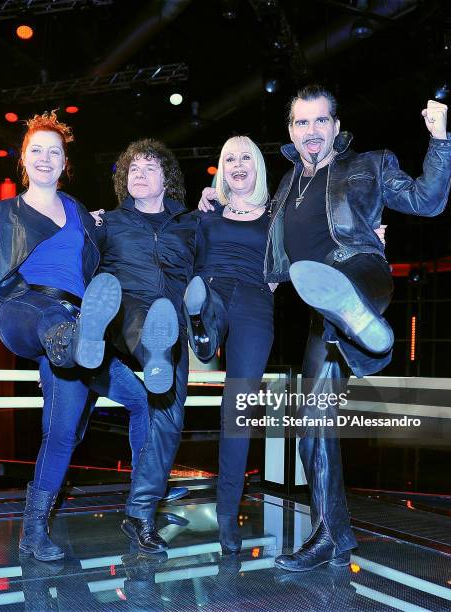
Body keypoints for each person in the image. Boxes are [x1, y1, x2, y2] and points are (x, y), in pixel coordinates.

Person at [201, 84, 451, 571]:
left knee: (352, 287)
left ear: (336, 128)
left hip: (360, 270)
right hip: (320, 311)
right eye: (302, 123)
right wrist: (214, 200)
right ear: (291, 132)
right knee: (312, 423)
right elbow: (257, 234)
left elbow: (427, 202)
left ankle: (367, 333)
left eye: (321, 121)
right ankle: (334, 537)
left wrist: (440, 140)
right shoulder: (284, 187)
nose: (312, 131)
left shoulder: (369, 164)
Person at [0, 111, 130, 562]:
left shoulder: (81, 210)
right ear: (24, 159)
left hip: (76, 320)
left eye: (54, 152)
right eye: (36, 151)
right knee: (53, 323)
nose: (45, 158)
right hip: (24, 308)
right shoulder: (4, 211)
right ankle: (76, 341)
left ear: (65, 163)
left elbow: (116, 240)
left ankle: (36, 532)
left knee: (63, 431)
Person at [95, 139, 198, 553]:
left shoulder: (191, 223)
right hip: (126, 315)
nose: (138, 174)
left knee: (169, 421)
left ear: (166, 178)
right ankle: (154, 351)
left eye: (148, 167)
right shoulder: (108, 223)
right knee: (144, 316)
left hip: (172, 324)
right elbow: (78, 258)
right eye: (131, 168)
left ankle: (139, 515)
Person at [182, 136, 274, 554]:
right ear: (221, 168)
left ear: (256, 166)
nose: (237, 164)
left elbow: (302, 252)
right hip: (213, 288)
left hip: (256, 303)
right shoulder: (207, 214)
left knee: (237, 410)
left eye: (245, 157)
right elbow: (175, 240)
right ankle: (202, 328)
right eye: (228, 158)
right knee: (205, 298)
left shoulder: (276, 214)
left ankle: (226, 519)